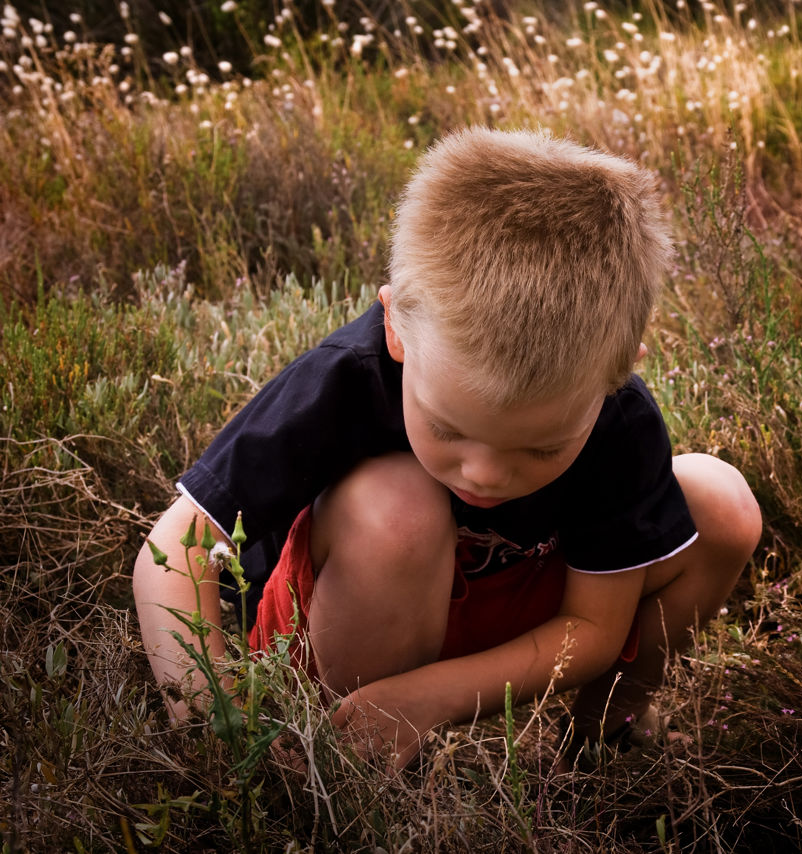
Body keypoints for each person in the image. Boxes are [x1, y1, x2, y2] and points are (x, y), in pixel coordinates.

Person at [132, 127, 762, 770]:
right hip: (338, 611)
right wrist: (219, 724)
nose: (485, 475)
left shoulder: (620, 421)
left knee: (718, 504)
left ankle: (610, 740)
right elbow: (169, 549)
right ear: (396, 329)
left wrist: (430, 696)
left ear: (616, 375)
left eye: (541, 449)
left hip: (503, 616)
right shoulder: (346, 377)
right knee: (396, 506)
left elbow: (594, 630)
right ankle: (338, 765)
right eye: (449, 430)